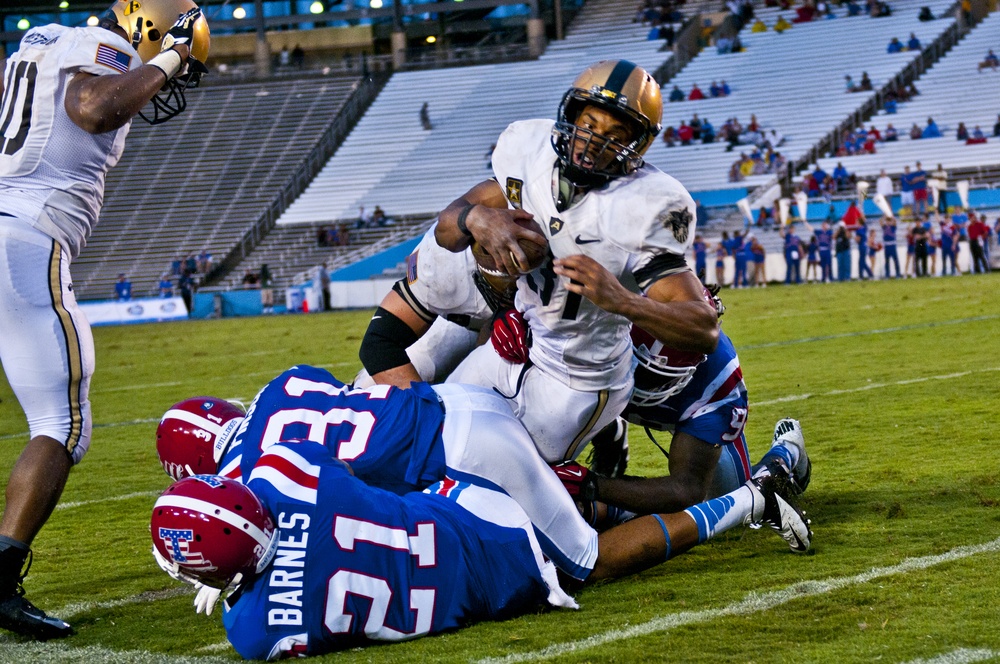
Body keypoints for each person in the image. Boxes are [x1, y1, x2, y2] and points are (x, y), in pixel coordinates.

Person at [151, 438, 809, 659]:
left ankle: (753, 499)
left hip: (479, 588)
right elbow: (335, 476)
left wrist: (231, 570)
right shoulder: (283, 478)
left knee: (593, 563)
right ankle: (724, 487)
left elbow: (269, 589)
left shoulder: (253, 631)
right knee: (569, 523)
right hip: (465, 504)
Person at [0, 0, 208, 639]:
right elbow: (93, 108)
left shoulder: (37, 46)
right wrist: (172, 58)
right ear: (149, 25)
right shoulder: (102, 44)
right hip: (27, 240)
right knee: (62, 424)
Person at [435, 61, 718, 464]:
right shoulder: (527, 152)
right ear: (570, 116)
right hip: (517, 342)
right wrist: (476, 218)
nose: (593, 141)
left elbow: (704, 328)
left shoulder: (647, 203)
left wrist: (623, 300)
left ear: (636, 146)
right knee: (438, 434)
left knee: (503, 481)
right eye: (589, 124)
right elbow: (446, 233)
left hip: (578, 378)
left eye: (614, 135)